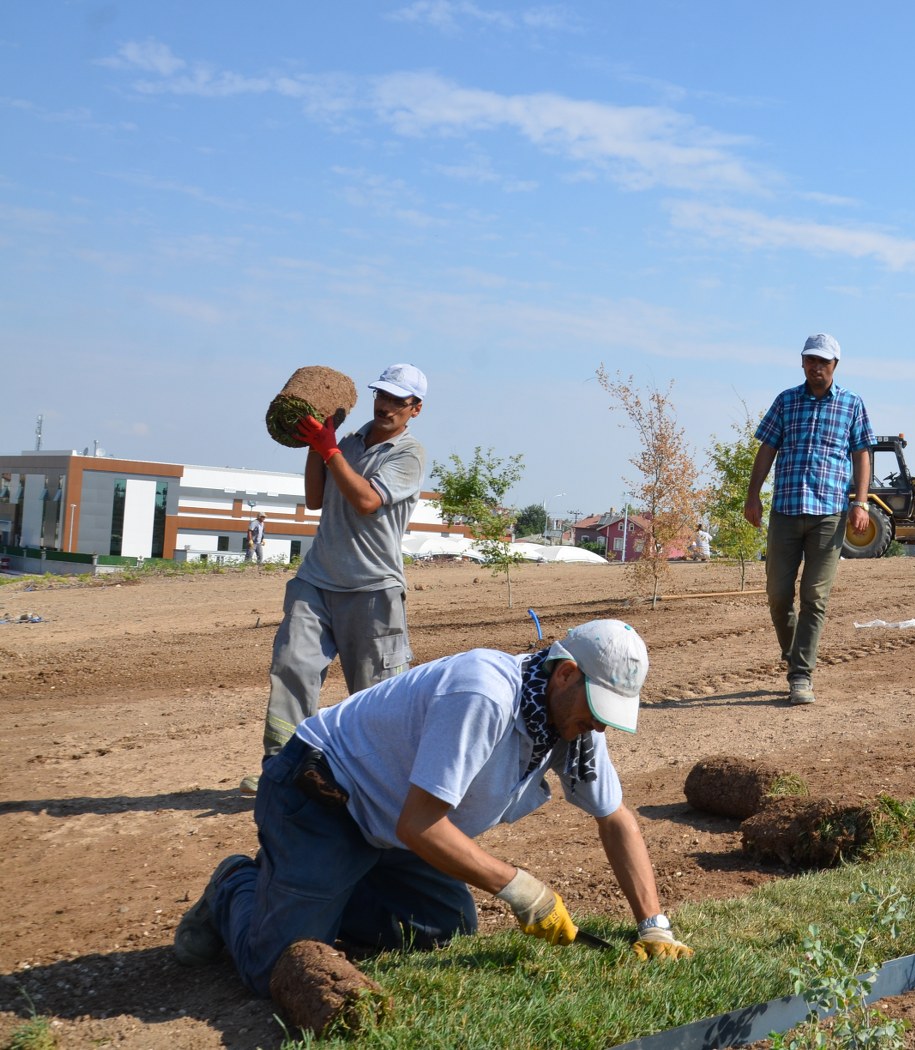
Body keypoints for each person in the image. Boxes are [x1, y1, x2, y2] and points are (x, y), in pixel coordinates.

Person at [174, 619, 693, 994]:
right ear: (564, 674)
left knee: (445, 930)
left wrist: (654, 924)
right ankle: (236, 884)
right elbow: (422, 824)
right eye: (597, 710)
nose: (600, 726)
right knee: (278, 969)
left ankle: (317, 886)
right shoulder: (485, 694)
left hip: (391, 823)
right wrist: (523, 890)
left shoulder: (572, 724)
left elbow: (614, 817)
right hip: (322, 794)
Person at [243, 364, 428, 794]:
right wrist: (315, 444)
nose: (386, 406)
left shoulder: (409, 454)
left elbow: (366, 500)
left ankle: (385, 779)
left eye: (398, 401)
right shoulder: (349, 443)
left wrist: (329, 450)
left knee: (377, 691)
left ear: (415, 409)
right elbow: (314, 500)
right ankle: (282, 769)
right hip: (318, 580)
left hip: (373, 587)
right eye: (382, 395)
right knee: (292, 665)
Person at [744, 334, 875, 706]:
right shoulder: (786, 401)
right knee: (778, 595)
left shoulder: (851, 404)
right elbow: (767, 447)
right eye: (810, 360)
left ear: (835, 365)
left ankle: (801, 675)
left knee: (814, 596)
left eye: (823, 361)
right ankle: (794, 656)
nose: (815, 367)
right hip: (785, 511)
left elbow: (862, 453)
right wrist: (752, 495)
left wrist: (860, 503)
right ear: (802, 363)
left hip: (829, 516)